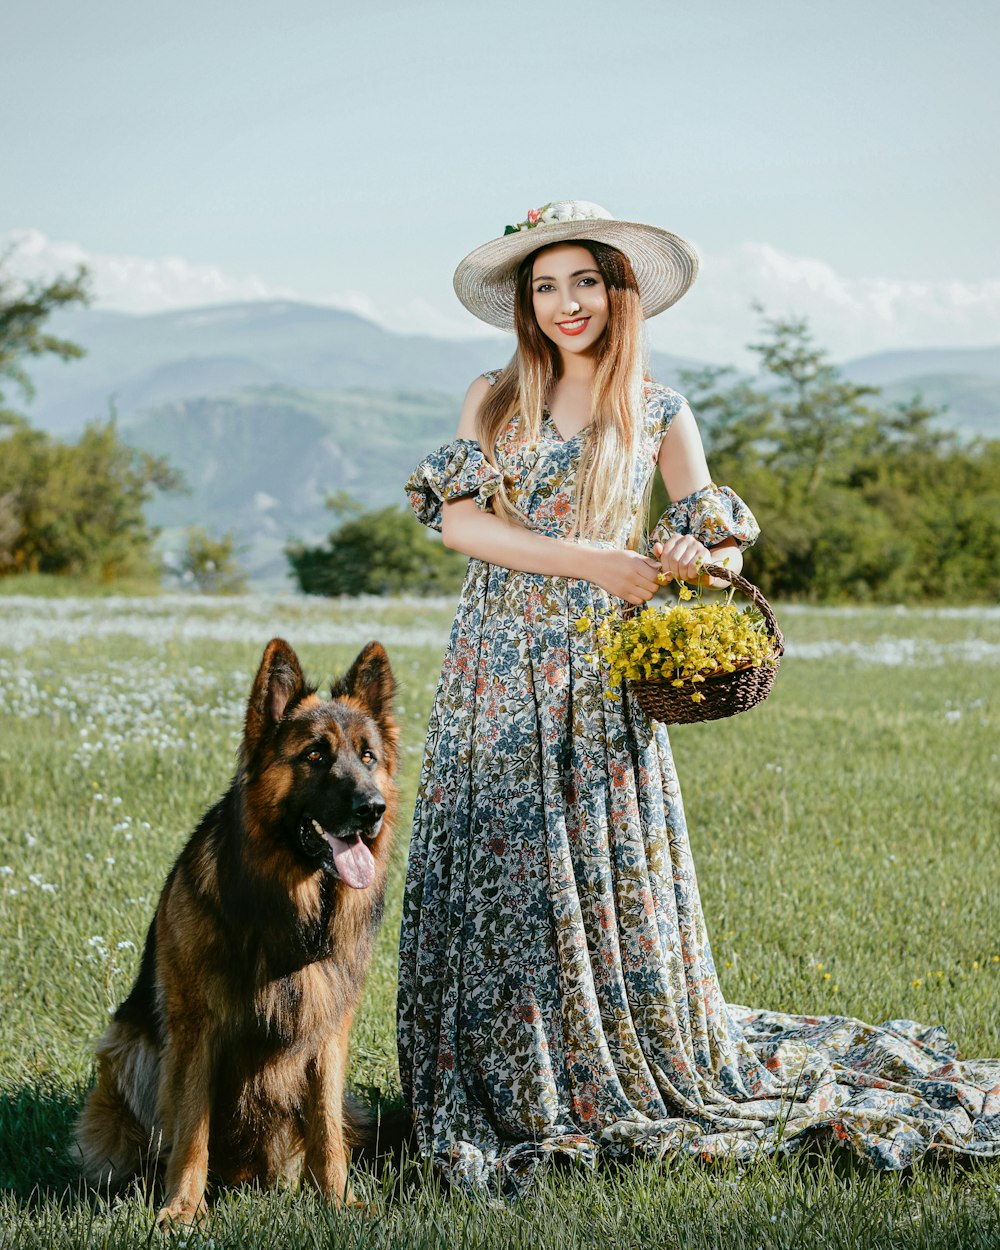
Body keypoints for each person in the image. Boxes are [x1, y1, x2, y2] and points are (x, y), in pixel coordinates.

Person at [397, 201, 999, 1197]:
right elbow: (461, 527)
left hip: (601, 665)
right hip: (495, 659)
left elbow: (717, 531)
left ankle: (608, 1061)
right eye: (544, 286)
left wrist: (689, 550)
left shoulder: (660, 405)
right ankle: (498, 1071)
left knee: (589, 859)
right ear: (524, 302)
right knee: (496, 861)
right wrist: (591, 558)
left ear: (618, 290)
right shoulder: (491, 395)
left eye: (583, 281)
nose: (565, 303)